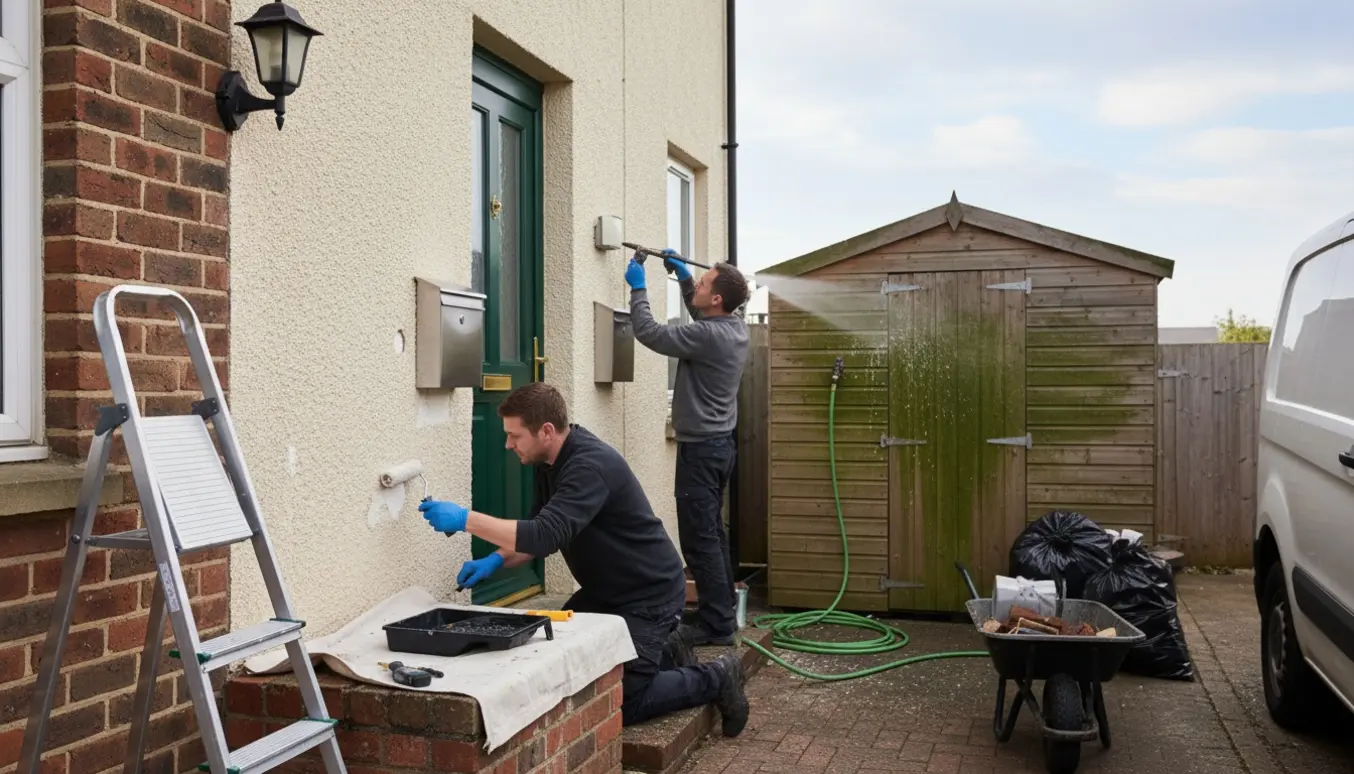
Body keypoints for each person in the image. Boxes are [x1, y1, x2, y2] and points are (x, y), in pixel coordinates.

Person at [416, 382, 749, 734]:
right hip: (604, 592)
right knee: (555, 655)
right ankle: (667, 649)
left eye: (514, 435)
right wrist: (497, 561)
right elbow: (539, 536)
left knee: (623, 700)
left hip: (649, 595)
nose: (508, 444)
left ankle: (717, 676)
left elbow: (544, 534)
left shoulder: (589, 466)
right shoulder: (548, 462)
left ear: (546, 431)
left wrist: (464, 519)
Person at [624, 250, 750, 647]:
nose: (697, 283)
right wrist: (682, 281)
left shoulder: (709, 335)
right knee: (711, 532)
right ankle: (721, 612)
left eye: (702, 282)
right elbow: (701, 321)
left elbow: (650, 333)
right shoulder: (732, 327)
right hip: (718, 448)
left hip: (701, 452)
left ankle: (716, 626)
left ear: (717, 300)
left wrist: (639, 287)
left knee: (700, 540)